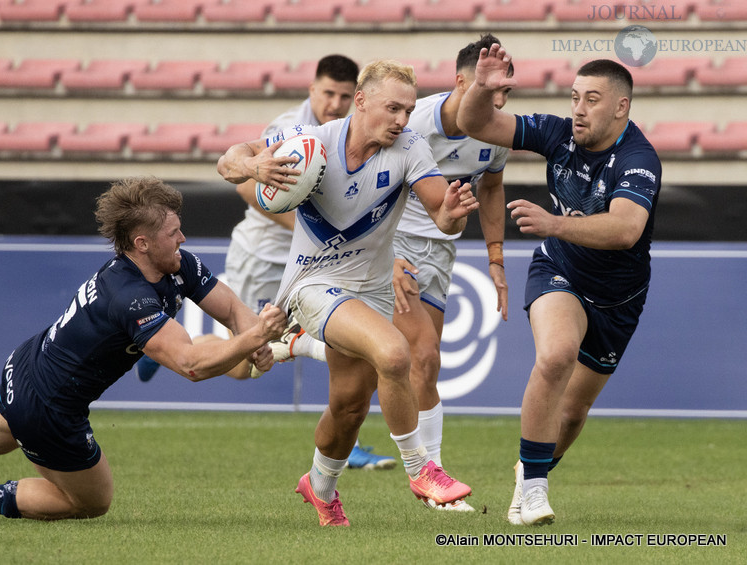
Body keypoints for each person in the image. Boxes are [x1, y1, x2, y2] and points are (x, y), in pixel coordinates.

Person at [217, 60, 479, 526]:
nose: (402, 119)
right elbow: (229, 159)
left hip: (371, 290)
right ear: (361, 101)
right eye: (392, 108)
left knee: (350, 406)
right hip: (312, 286)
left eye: (408, 109)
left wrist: (455, 212)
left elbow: (442, 213)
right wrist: (254, 163)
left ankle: (319, 487)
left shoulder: (410, 149)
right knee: (395, 355)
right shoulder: (313, 144)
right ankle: (422, 471)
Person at [0, 177, 286, 520]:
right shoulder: (129, 298)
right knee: (90, 503)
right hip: (50, 407)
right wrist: (256, 338)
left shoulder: (176, 263)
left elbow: (229, 309)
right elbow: (190, 365)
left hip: (26, 365)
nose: (182, 239)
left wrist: (252, 334)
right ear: (142, 243)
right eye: (173, 233)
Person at [135, 54, 396, 470]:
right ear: (313, 89)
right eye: (328, 93)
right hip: (264, 256)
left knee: (347, 343)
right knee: (242, 365)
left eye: (344, 96)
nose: (335, 103)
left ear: (357, 99)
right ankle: (167, 349)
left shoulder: (352, 135)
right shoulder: (290, 130)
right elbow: (245, 189)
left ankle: (348, 440)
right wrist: (315, 230)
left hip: (315, 264)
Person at [457, 45, 661, 525]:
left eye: (592, 99)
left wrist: (555, 224)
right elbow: (476, 125)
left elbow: (625, 229)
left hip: (618, 297)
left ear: (620, 107)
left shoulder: (639, 158)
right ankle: (533, 492)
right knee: (555, 356)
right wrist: (483, 90)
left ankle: (528, 470)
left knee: (572, 415)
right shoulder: (559, 133)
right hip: (560, 270)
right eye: (574, 97)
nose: (578, 109)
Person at [391, 33, 512, 512]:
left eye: (506, 92)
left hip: (442, 252)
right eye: (489, 89)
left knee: (420, 365)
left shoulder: (496, 131)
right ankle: (432, 483)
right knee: (423, 354)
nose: (498, 101)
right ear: (462, 81)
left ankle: (301, 343)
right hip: (393, 243)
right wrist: (381, 252)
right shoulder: (413, 121)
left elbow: (493, 187)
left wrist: (496, 258)